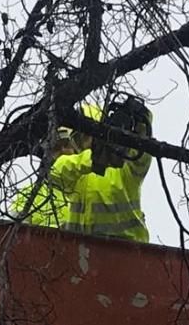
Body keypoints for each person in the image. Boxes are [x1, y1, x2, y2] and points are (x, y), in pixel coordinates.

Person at [13, 96, 153, 243]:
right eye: (78, 138)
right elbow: (57, 173)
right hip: (79, 252)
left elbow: (141, 156)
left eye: (85, 136)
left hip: (125, 251)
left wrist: (142, 123)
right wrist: (94, 158)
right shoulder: (77, 170)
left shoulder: (124, 169)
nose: (80, 143)